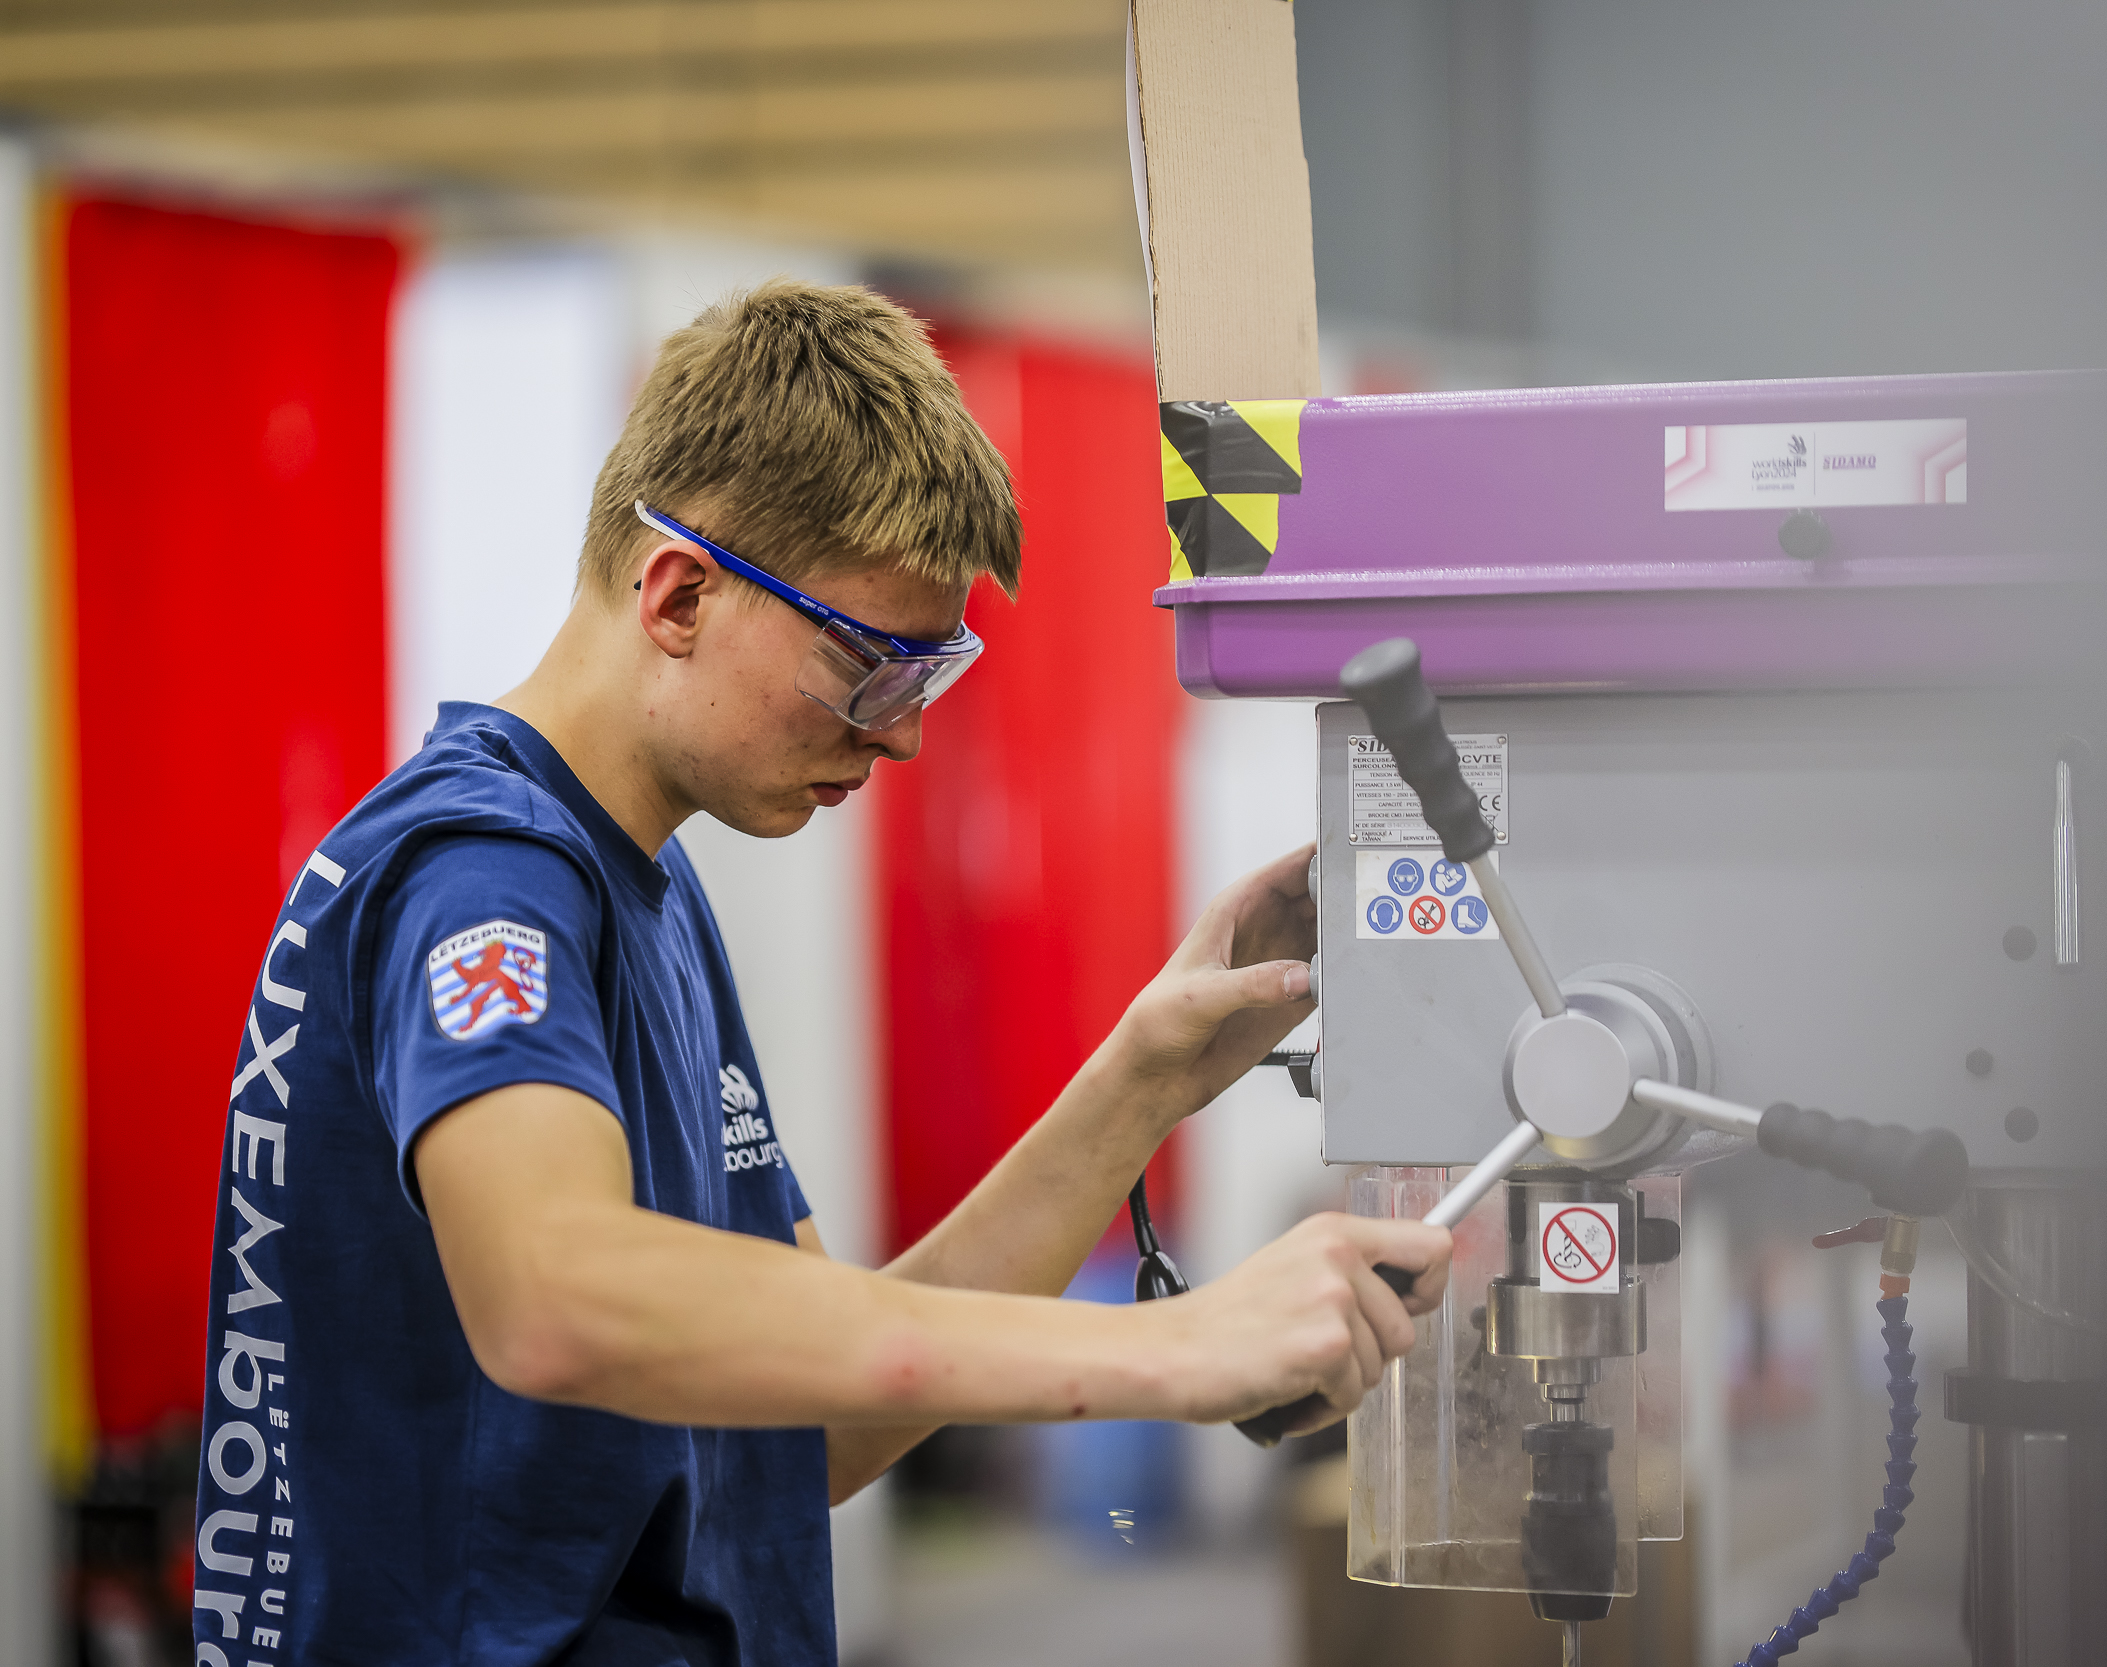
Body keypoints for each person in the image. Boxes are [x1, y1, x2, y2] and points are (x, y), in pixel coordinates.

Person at [191, 279, 1450, 1665]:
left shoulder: (647, 893)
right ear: (677, 593)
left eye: (930, 676)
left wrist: (1145, 1076)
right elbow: (552, 1293)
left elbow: (816, 1420)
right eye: (867, 667)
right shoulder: (481, 879)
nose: (901, 740)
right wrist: (1183, 1349)